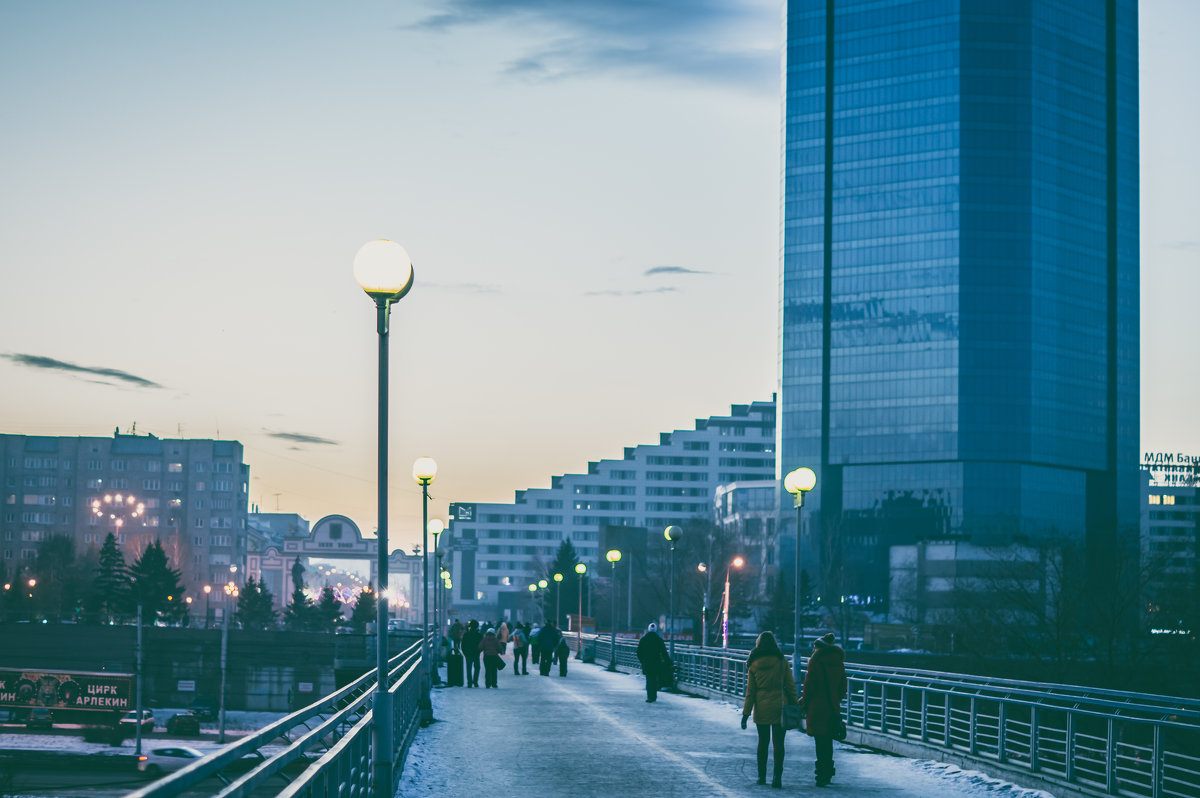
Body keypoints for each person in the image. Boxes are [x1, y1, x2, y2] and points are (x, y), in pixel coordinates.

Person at [741, 630, 800, 789]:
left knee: (763, 742)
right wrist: (795, 703)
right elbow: (790, 685)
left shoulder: (753, 663)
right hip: (780, 705)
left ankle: (761, 777)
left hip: (762, 706)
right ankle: (777, 778)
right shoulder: (781, 661)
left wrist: (746, 714)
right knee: (779, 743)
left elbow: (750, 692)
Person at [801, 632, 847, 787]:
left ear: (819, 648)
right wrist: (835, 700)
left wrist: (804, 703)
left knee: (820, 742)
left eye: (815, 647)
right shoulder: (839, 662)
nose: (813, 650)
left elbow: (810, 686)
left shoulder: (815, 662)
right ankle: (828, 771)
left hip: (817, 708)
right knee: (828, 741)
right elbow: (842, 688)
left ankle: (821, 774)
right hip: (833, 708)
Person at [635, 623, 672, 703]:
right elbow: (664, 653)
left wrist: (642, 660)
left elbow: (639, 652)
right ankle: (654, 696)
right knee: (654, 680)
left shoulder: (644, 640)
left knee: (649, 679)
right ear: (655, 630)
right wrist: (668, 662)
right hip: (656, 663)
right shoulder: (659, 640)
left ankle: (649, 697)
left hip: (647, 663)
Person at [461, 620, 483, 688]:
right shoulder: (479, 635)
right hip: (476, 654)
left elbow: (462, 645)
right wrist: (479, 651)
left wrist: (465, 653)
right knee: (477, 668)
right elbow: (482, 645)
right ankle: (475, 681)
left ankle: (469, 683)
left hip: (468, 654)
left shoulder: (466, 634)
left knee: (469, 668)